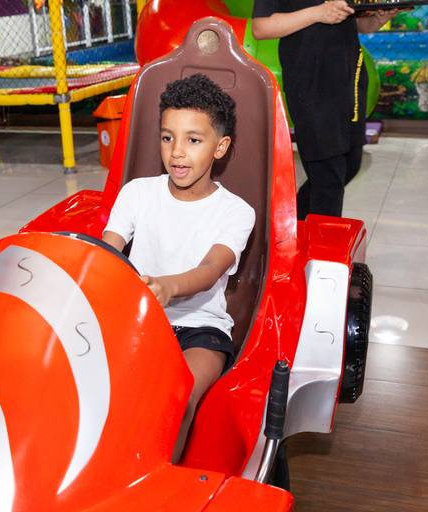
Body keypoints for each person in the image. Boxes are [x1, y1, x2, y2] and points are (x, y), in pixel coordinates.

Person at [102, 74, 255, 461]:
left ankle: (159, 476)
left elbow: (211, 268)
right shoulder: (137, 193)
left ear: (220, 147)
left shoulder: (236, 212)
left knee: (177, 395)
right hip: (139, 320)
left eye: (193, 140)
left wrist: (168, 287)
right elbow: (108, 249)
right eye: (168, 137)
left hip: (201, 328)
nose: (177, 152)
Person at [252, 1, 399, 219]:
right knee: (328, 178)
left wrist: (378, 19)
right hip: (312, 86)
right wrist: (318, 13)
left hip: (350, 81)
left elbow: (357, 24)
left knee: (349, 165)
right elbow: (261, 27)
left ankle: (292, 224)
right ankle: (317, 237)